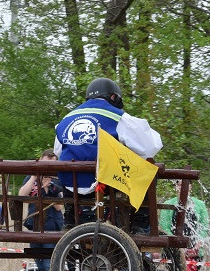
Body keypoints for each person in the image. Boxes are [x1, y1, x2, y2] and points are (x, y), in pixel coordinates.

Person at [54, 77, 162, 224]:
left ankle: (70, 217)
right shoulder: (116, 116)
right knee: (148, 171)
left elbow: (58, 151)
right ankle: (140, 223)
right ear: (113, 97)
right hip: (102, 181)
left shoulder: (66, 118)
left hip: (70, 182)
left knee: (68, 166)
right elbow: (149, 147)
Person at [19, 149, 64, 271]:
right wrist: (34, 177)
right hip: (35, 226)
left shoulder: (58, 180)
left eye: (52, 164)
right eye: (46, 163)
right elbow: (21, 196)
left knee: (48, 264)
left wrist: (47, 189)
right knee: (39, 263)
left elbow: (59, 207)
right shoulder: (31, 178)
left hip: (52, 227)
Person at [158, 179, 209, 271]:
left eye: (185, 184)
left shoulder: (200, 205)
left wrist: (197, 245)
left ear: (191, 186)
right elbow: (164, 228)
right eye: (178, 184)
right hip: (173, 250)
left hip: (194, 250)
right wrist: (178, 247)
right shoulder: (168, 203)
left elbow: (204, 227)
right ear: (175, 186)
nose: (181, 187)